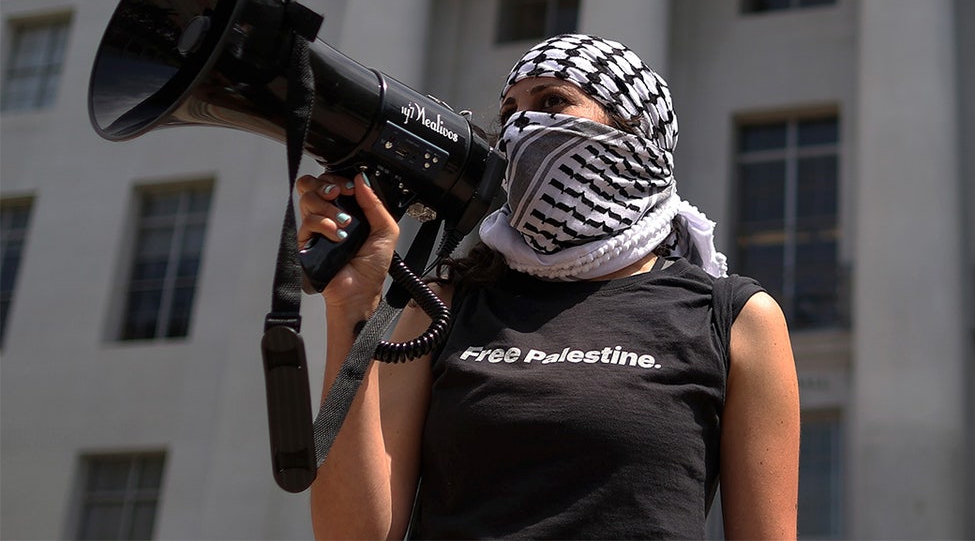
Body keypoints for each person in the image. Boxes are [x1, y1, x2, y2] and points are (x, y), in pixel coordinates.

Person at [300, 34, 800, 539]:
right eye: (510, 111)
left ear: (637, 134)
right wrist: (351, 306)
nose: (520, 127)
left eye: (552, 102)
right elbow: (354, 533)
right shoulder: (443, 304)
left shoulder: (733, 318)